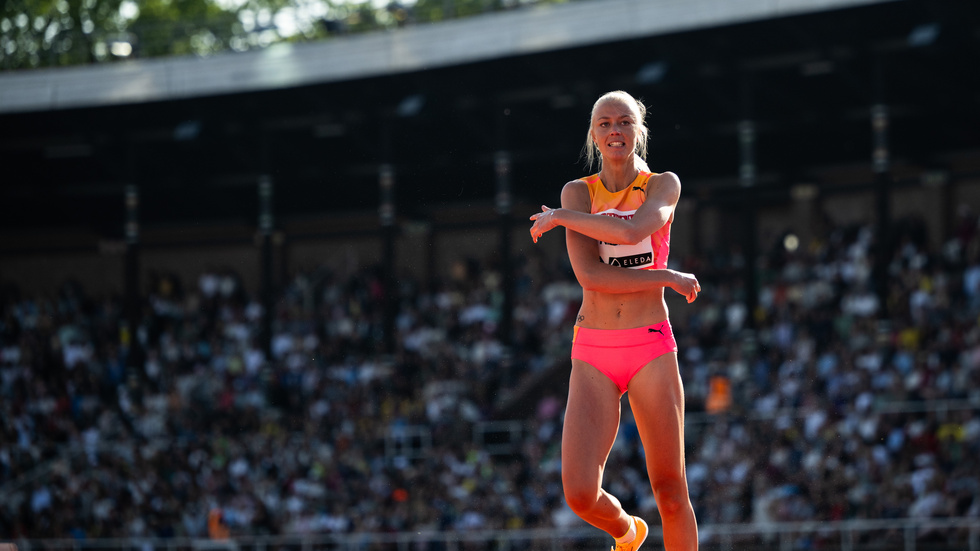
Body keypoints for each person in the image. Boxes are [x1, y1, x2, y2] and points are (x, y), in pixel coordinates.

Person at [529, 90, 700, 551]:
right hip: (593, 348)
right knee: (580, 493)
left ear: (638, 130)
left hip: (649, 345)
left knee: (669, 489)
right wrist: (666, 276)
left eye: (623, 122)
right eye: (603, 124)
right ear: (593, 134)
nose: (614, 131)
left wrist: (562, 219)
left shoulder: (663, 184)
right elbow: (590, 276)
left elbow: (631, 231)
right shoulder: (578, 192)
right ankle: (627, 531)